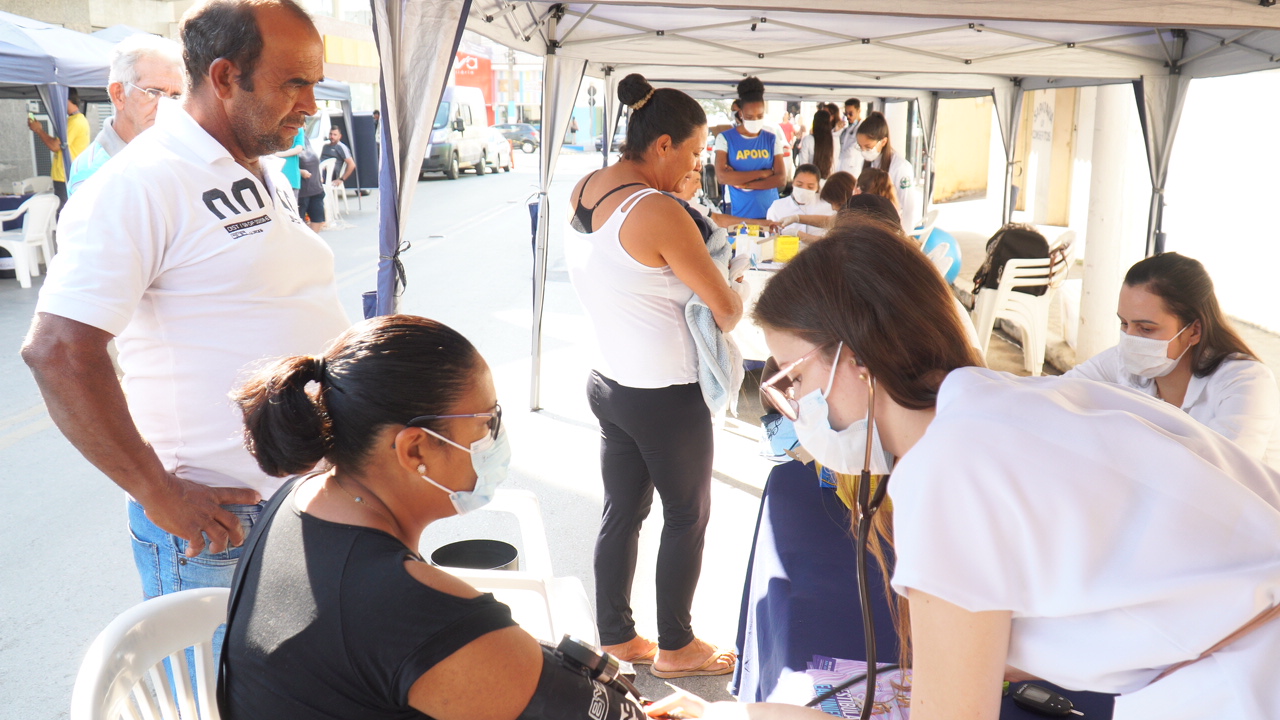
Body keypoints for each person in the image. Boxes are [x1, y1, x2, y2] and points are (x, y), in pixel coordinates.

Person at [648, 222, 1280, 720]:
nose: (791, 406)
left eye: (795, 379)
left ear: (858, 357)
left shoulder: (946, 473)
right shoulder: (1000, 403)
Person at [21, 0, 349, 619]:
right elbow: (58, 350)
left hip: (297, 499)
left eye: (314, 82)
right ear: (225, 77)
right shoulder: (140, 183)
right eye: (294, 83)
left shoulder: (250, 165)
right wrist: (157, 491)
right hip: (223, 526)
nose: (310, 103)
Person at [220, 314, 645, 720]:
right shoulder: (413, 611)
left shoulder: (299, 498)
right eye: (487, 422)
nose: (496, 439)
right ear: (415, 450)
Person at [564, 73, 742, 679]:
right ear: (662, 145)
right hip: (663, 393)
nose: (697, 163)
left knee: (623, 510)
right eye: (694, 152)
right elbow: (728, 308)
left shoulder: (584, 189)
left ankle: (615, 635)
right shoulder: (659, 210)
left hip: (608, 382)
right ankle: (676, 646)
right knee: (687, 516)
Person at [1066, 252, 1280, 467]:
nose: (1130, 339)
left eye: (1146, 329)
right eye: (1124, 324)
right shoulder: (1121, 362)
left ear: (1194, 330)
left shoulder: (1246, 382)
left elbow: (1222, 471)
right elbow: (1056, 393)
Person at [68, 35, 185, 195]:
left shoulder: (176, 150)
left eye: (175, 97)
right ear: (119, 95)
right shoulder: (95, 173)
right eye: (153, 93)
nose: (166, 107)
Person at [712, 77, 785, 220]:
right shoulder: (725, 139)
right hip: (740, 214)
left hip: (771, 214)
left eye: (760, 116)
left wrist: (744, 184)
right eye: (750, 116)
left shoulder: (771, 139)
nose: (755, 120)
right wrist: (763, 174)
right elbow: (722, 177)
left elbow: (781, 179)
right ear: (741, 114)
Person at [854, 111, 920, 231]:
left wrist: (904, 237)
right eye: (860, 146)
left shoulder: (900, 167)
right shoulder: (871, 161)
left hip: (893, 228)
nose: (863, 151)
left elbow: (909, 208)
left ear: (883, 142)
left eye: (868, 147)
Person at [28, 88, 91, 206]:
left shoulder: (75, 122)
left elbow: (55, 146)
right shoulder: (76, 120)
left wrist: (39, 130)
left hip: (65, 176)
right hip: (66, 175)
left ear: (66, 100)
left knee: (63, 213)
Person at [767, 163, 832, 237]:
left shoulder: (828, 205)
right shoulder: (777, 206)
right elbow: (770, 237)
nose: (804, 189)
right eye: (799, 185)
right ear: (793, 182)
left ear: (818, 187)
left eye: (810, 187)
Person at [296, 131, 325, 231]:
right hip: (301, 190)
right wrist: (300, 172)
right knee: (299, 220)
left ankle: (314, 240)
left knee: (317, 217)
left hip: (315, 186)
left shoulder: (305, 138)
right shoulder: (291, 142)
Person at [795, 109, 836, 179]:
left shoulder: (808, 140)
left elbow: (803, 165)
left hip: (811, 181)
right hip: (829, 181)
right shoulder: (835, 140)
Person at [275, 126, 305, 199]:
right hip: (275, 178)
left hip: (292, 178)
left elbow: (298, 149)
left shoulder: (298, 129)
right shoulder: (274, 127)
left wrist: (278, 154)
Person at [836, 98, 863, 173]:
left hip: (853, 170)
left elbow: (851, 152)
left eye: (851, 113)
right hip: (841, 168)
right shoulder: (846, 130)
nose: (848, 116)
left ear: (858, 111)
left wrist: (836, 155)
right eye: (845, 113)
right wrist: (837, 131)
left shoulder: (862, 129)